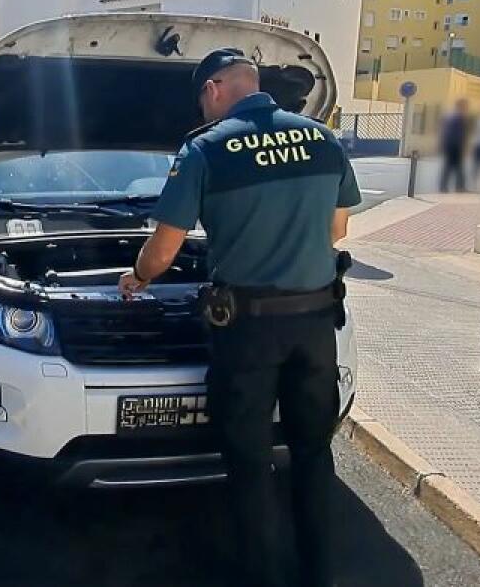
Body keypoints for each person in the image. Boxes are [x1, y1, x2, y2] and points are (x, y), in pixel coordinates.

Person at [119, 48, 360, 587]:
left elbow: (162, 251)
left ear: (213, 90)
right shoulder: (321, 139)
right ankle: (322, 573)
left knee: (251, 464)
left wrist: (137, 277)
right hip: (317, 324)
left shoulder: (206, 148)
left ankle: (264, 577)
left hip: (248, 331)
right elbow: (336, 231)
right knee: (312, 452)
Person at [438, 98, 470, 192]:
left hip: (449, 144)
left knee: (450, 166)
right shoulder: (459, 116)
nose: (466, 108)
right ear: (461, 106)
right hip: (455, 145)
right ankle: (459, 187)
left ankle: (445, 186)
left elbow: (445, 131)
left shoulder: (450, 115)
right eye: (465, 106)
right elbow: (459, 133)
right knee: (457, 167)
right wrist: (462, 145)